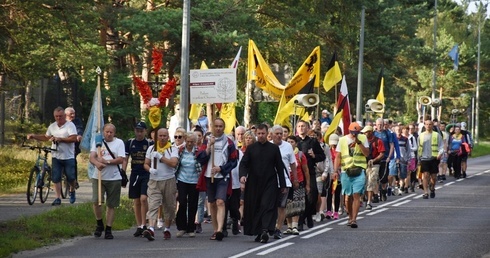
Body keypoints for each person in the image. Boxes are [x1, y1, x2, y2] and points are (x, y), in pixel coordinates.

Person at [239, 124, 287, 243]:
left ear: (267, 134)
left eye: (263, 133)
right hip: (254, 183)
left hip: (270, 182)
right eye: (259, 134)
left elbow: (279, 167)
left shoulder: (273, 148)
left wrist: (283, 184)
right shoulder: (251, 148)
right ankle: (259, 231)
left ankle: (265, 230)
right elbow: (244, 164)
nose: (261, 136)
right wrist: (243, 176)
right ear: (256, 134)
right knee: (256, 207)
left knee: (267, 205)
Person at [196, 118, 238, 241]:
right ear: (212, 127)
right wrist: (209, 148)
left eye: (221, 126)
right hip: (209, 176)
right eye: (216, 126)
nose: (218, 128)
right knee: (212, 203)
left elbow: (233, 161)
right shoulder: (207, 141)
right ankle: (215, 229)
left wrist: (221, 168)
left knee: (220, 201)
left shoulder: (229, 142)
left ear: (223, 127)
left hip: (222, 176)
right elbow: (200, 158)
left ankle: (220, 229)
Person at [27, 107, 78, 206]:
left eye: (60, 116)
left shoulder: (70, 125)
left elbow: (74, 138)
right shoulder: (52, 126)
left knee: (71, 177)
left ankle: (72, 190)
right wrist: (34, 136)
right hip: (56, 155)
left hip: (68, 156)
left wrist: (61, 139)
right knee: (56, 177)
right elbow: (46, 137)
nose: (59, 118)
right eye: (56, 116)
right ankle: (57, 198)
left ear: (64, 116)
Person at [89, 123, 125, 239]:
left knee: (111, 204)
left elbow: (121, 159)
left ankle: (108, 229)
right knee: (96, 201)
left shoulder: (119, 143)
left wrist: (107, 162)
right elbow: (92, 157)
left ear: (114, 133)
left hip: (114, 177)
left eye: (111, 132)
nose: (108, 134)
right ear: (103, 132)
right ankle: (99, 223)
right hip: (98, 176)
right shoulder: (98, 141)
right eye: (107, 132)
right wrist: (97, 163)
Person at [142, 128, 179, 241]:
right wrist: (150, 170)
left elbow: (173, 163)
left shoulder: (173, 149)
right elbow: (146, 164)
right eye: (160, 135)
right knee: (153, 204)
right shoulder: (151, 149)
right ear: (156, 137)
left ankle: (167, 228)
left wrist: (161, 157)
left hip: (169, 180)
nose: (162, 138)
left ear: (168, 137)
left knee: (169, 206)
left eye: (164, 136)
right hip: (154, 181)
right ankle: (151, 229)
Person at [333, 122, 369, 228]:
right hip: (346, 171)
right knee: (348, 196)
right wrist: (335, 170)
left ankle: (354, 219)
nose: (355, 134)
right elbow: (338, 156)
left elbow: (367, 153)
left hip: (359, 170)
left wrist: (359, 143)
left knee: (356, 194)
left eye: (357, 132)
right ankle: (349, 216)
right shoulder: (342, 140)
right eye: (353, 132)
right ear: (349, 131)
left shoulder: (363, 138)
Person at [122, 121, 153, 237]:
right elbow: (125, 158)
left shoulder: (149, 143)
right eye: (137, 131)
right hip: (135, 173)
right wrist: (123, 173)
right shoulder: (130, 143)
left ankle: (145, 224)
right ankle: (139, 225)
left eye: (141, 131)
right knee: (136, 200)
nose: (139, 133)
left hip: (146, 173)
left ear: (145, 131)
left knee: (143, 198)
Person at [295, 120, 326, 230]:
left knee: (312, 195)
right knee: (299, 196)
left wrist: (314, 156)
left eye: (303, 126)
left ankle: (308, 215)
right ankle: (300, 220)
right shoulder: (295, 141)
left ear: (307, 128)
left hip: (310, 171)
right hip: (297, 172)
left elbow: (322, 156)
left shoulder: (313, 141)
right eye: (299, 126)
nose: (301, 128)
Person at [270, 125, 298, 239]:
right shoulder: (268, 146)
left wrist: (295, 179)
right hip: (270, 181)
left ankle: (278, 228)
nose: (279, 136)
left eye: (281, 134)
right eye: (277, 133)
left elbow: (293, 164)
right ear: (271, 134)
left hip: (284, 181)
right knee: (270, 206)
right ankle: (269, 226)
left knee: (282, 206)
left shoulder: (288, 146)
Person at [175, 132, 201, 238]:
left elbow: (203, 161)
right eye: (188, 141)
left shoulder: (198, 151)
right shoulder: (181, 150)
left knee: (193, 204)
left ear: (195, 142)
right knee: (182, 202)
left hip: (194, 180)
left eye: (192, 142)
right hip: (182, 179)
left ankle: (191, 228)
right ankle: (182, 227)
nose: (189, 143)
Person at [418, 119, 444, 199]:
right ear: (424, 125)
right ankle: (425, 192)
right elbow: (418, 147)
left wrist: (440, 153)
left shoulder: (437, 135)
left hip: (434, 158)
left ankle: (432, 188)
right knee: (425, 175)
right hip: (424, 158)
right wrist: (418, 159)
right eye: (427, 124)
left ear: (432, 125)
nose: (428, 126)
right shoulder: (421, 135)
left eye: (430, 124)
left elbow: (441, 146)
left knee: (434, 177)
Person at [361, 126, 385, 210]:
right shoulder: (362, 142)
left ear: (370, 132)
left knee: (371, 181)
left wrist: (374, 160)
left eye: (366, 132)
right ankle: (363, 198)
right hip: (364, 164)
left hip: (374, 165)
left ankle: (369, 202)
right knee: (364, 182)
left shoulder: (378, 141)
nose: (364, 134)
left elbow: (382, 154)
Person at [374, 118, 393, 202]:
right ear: (376, 125)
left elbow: (391, 145)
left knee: (384, 178)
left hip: (385, 159)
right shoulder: (374, 134)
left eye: (381, 124)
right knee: (376, 177)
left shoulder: (387, 133)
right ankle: (376, 194)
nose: (380, 126)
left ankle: (383, 191)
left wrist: (389, 156)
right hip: (376, 159)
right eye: (378, 124)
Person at [64, 107, 83, 189]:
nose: (73, 115)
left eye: (74, 113)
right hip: (62, 145)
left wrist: (79, 135)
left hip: (73, 146)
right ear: (66, 115)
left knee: (72, 162)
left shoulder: (77, 121)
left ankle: (74, 180)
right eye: (71, 114)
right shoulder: (62, 121)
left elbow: (79, 128)